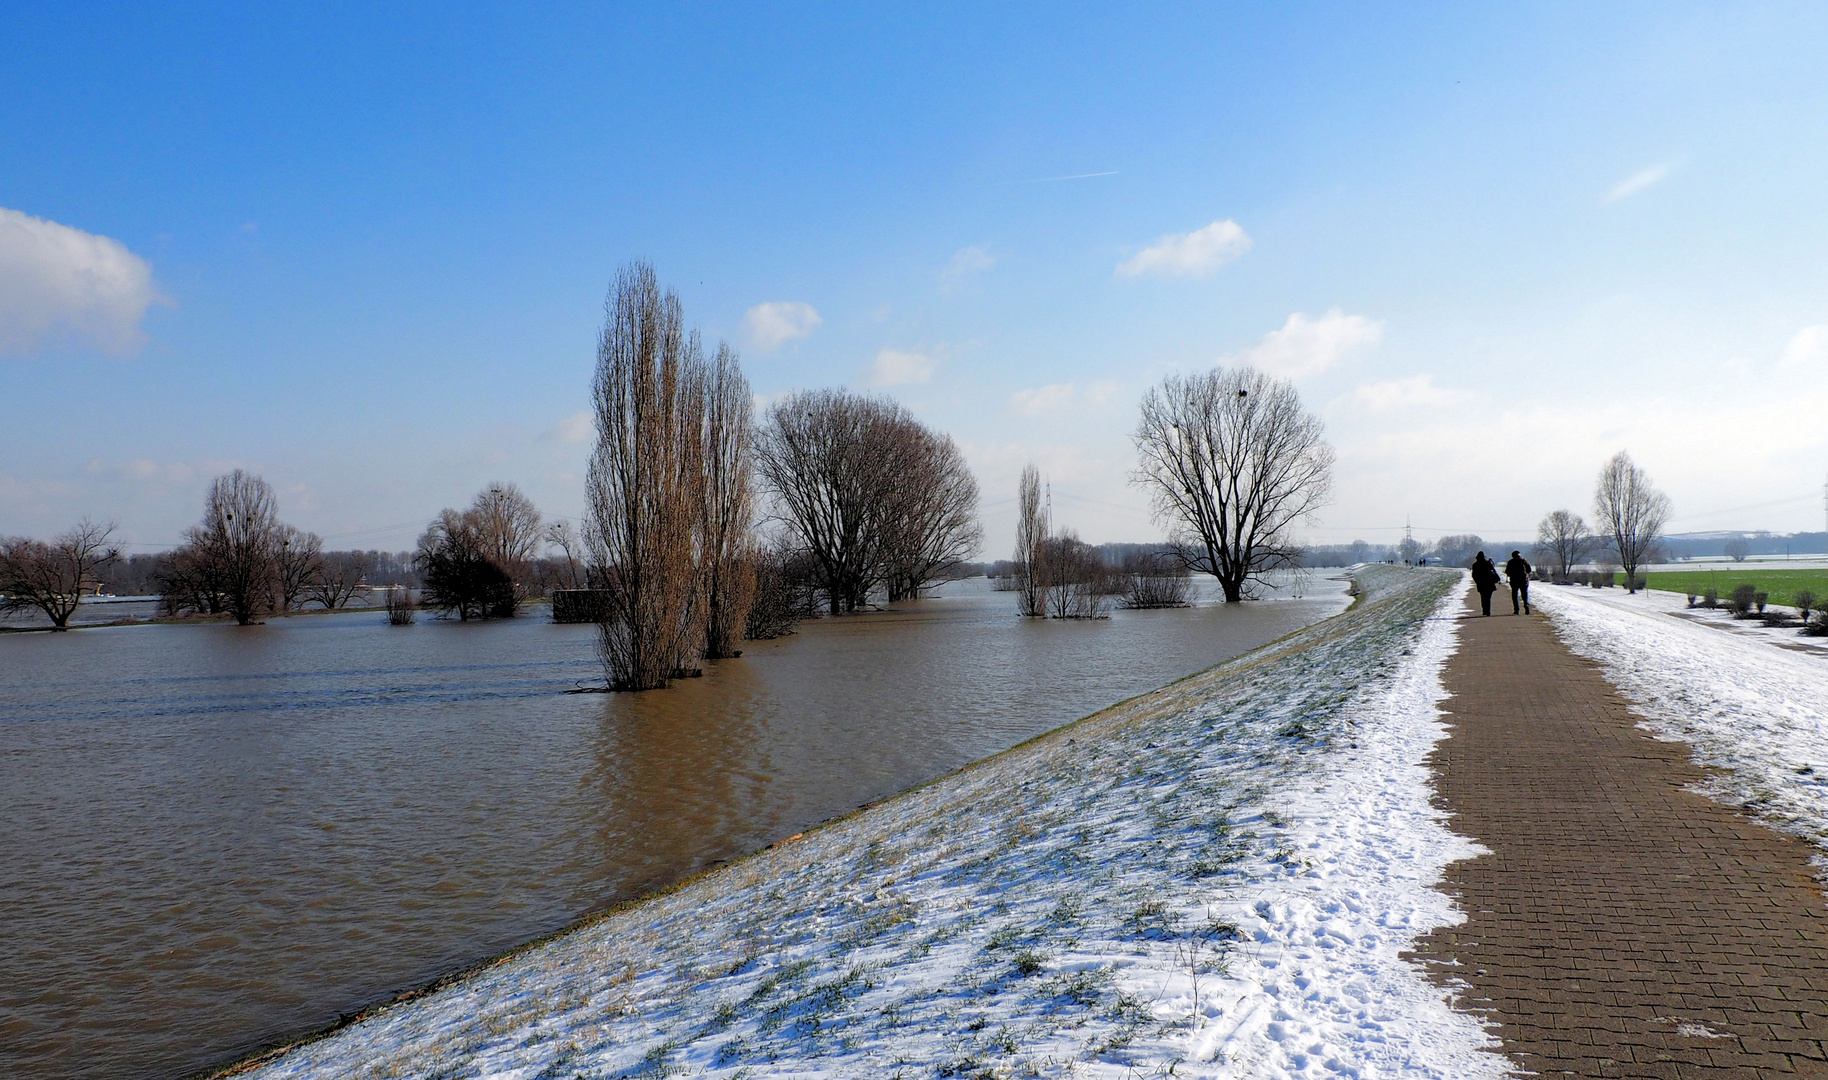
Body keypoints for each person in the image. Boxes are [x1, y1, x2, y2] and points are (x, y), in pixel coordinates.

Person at [1470, 551, 1500, 616]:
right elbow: (1493, 571)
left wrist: (1477, 582)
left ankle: (1484, 610)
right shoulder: (1488, 563)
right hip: (1490, 583)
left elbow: (1474, 575)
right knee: (1488, 598)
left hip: (1481, 584)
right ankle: (1488, 611)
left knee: (1483, 598)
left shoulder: (1475, 565)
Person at [1505, 549, 1532, 614]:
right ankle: (1526, 606)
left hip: (1514, 581)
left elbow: (1507, 571)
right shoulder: (1524, 561)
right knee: (1524, 594)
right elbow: (1529, 570)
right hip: (1523, 580)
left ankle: (1516, 609)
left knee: (1514, 595)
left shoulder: (1510, 562)